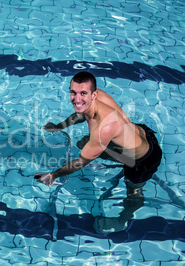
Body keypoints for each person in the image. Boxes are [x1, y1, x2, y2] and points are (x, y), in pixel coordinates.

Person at [35, 71, 162, 231]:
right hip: (143, 133)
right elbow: (81, 113)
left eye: (83, 94)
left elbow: (80, 163)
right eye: (73, 93)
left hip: (142, 161)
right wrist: (60, 126)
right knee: (88, 143)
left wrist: (53, 175)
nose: (77, 99)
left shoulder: (103, 128)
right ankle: (118, 157)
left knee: (133, 191)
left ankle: (122, 220)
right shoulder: (97, 98)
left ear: (93, 94)